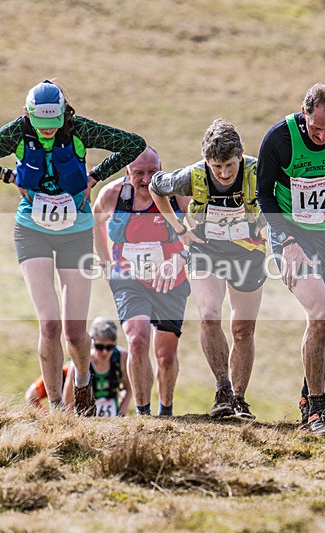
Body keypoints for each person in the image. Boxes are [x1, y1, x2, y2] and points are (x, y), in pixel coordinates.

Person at [0, 80, 146, 416]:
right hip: (32, 231)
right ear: (28, 116)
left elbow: (133, 145)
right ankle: (56, 407)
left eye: (53, 125)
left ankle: (82, 379)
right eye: (41, 126)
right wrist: (7, 177)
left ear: (63, 115)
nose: (47, 133)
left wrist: (94, 176)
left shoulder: (80, 129)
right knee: (50, 324)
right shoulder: (17, 133)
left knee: (73, 330)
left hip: (77, 232)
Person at [256, 83, 325, 438]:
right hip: (291, 233)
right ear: (304, 114)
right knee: (319, 315)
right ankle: (317, 410)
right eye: (315, 128)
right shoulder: (279, 138)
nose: (321, 137)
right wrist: (287, 241)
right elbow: (263, 194)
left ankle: (307, 397)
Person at [149, 119, 266, 420]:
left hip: (248, 254)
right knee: (209, 315)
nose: (224, 174)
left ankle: (240, 399)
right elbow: (155, 187)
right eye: (217, 167)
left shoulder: (259, 170)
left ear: (240, 154)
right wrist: (178, 230)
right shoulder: (192, 175)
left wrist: (271, 228)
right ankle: (222, 389)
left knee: (242, 330)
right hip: (205, 252)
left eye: (229, 165)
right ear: (206, 161)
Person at [92, 146, 190, 416]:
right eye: (139, 173)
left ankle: (165, 410)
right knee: (136, 339)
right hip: (129, 279)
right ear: (127, 172)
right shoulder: (113, 194)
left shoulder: (176, 193)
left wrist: (179, 259)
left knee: (165, 355)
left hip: (171, 280)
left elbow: (197, 232)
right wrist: (104, 263)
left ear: (162, 168)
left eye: (152, 172)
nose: (146, 180)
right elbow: (95, 219)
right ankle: (143, 414)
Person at [63, 317, 132, 417]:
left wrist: (120, 415)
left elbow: (129, 389)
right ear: (91, 343)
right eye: (100, 347)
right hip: (86, 420)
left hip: (113, 420)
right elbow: (68, 402)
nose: (105, 352)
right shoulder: (78, 363)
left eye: (109, 347)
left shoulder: (121, 358)